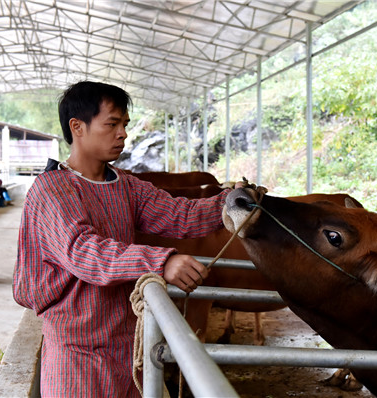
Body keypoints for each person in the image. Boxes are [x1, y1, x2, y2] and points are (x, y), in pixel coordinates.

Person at [13, 81, 243, 397]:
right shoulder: (51, 190)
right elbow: (85, 252)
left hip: (126, 348)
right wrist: (162, 261)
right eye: (111, 124)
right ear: (77, 127)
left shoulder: (125, 185)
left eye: (124, 124)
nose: (122, 133)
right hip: (77, 354)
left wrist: (229, 205)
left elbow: (177, 214)